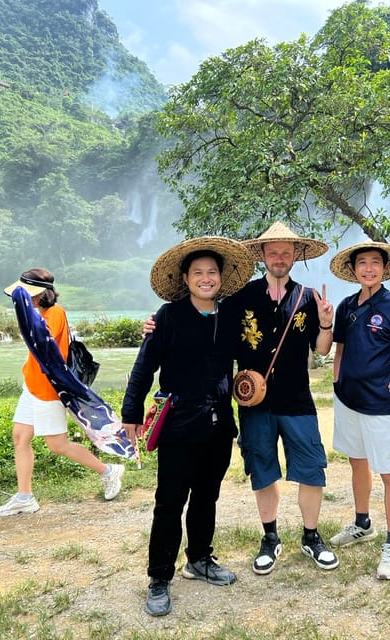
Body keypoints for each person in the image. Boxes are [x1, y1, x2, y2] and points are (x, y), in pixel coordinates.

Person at [121, 237, 254, 617]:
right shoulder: (167, 317)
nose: (206, 278)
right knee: (169, 502)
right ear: (185, 277)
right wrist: (131, 413)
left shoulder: (230, 317)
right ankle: (159, 577)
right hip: (179, 423)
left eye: (212, 272)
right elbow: (144, 367)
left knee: (207, 497)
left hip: (219, 425)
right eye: (198, 273)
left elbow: (252, 352)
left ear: (221, 277)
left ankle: (199, 559)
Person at [233, 222, 338, 575]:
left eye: (286, 253)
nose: (280, 258)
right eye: (273, 252)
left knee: (311, 470)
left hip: (298, 400)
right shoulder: (241, 298)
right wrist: (158, 326)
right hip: (254, 404)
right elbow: (211, 336)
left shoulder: (308, 297)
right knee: (262, 470)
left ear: (295, 257)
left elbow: (321, 352)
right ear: (262, 256)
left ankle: (310, 536)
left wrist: (325, 324)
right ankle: (270, 538)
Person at [328, 242, 390, 580]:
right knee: (357, 462)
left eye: (374, 263)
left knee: (388, 472)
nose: (368, 268)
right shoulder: (345, 307)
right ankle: (362, 523)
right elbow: (339, 348)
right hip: (347, 400)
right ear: (354, 269)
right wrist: (337, 381)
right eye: (362, 263)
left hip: (380, 403)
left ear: (384, 269)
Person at [0, 269, 124, 517]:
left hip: (47, 390)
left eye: (29, 294)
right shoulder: (40, 312)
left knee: (57, 445)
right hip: (31, 385)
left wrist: (27, 314)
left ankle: (109, 471)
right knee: (20, 437)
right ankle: (25, 497)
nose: (27, 299)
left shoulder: (55, 313)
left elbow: (45, 341)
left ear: (42, 294)